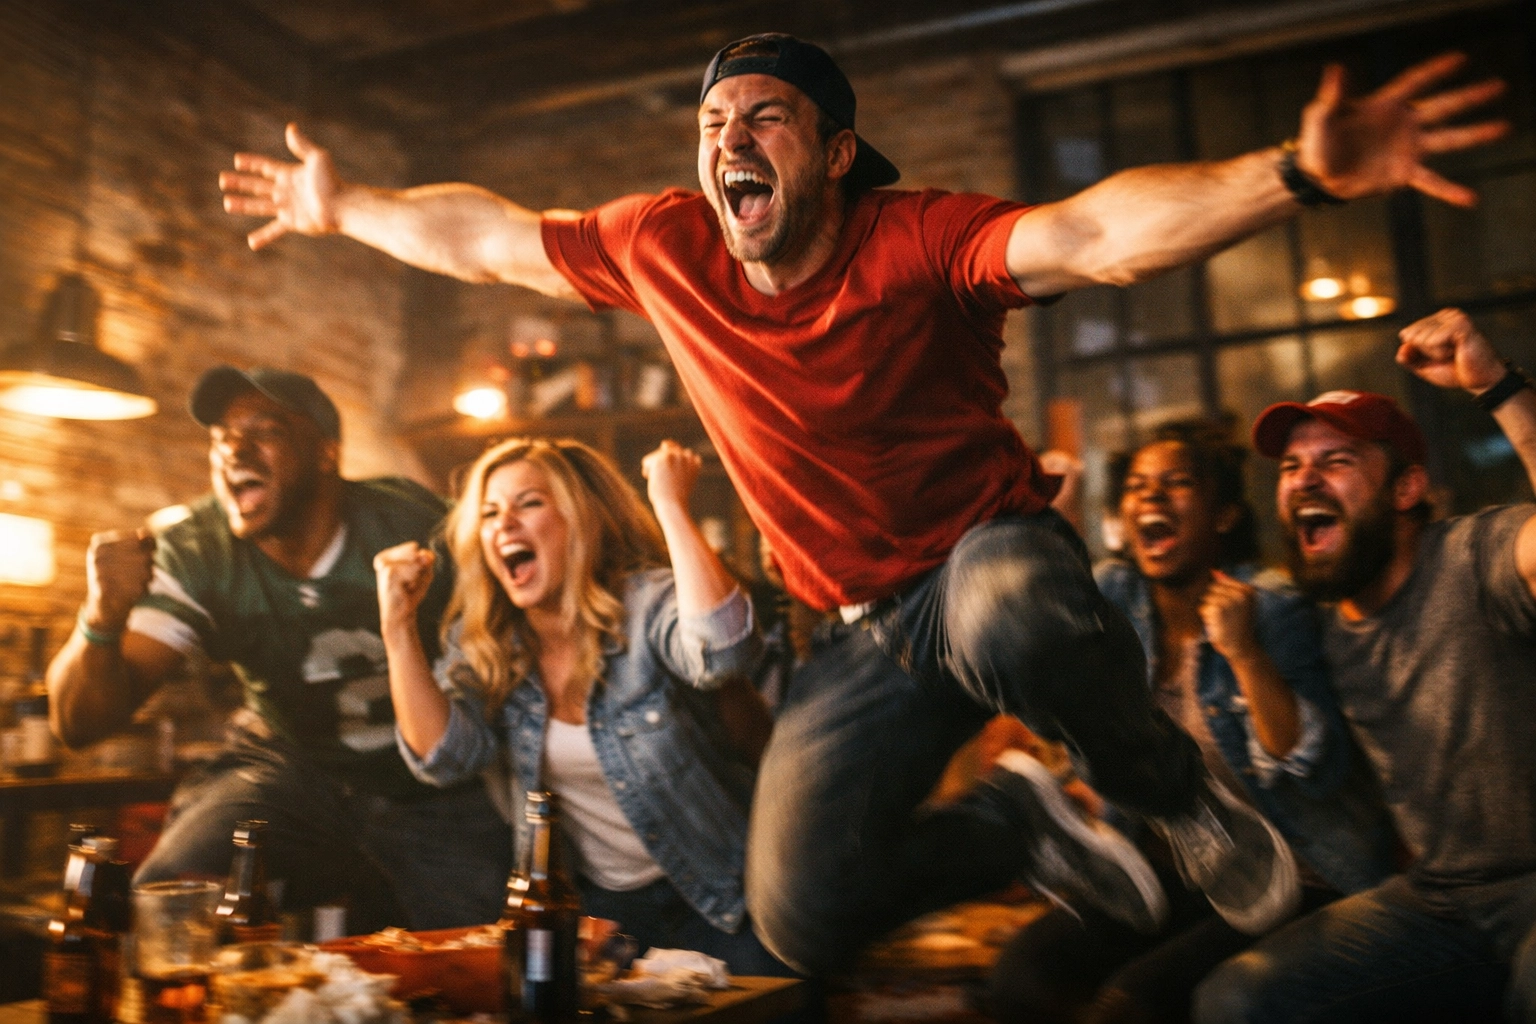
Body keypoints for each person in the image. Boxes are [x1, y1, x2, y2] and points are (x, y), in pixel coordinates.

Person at [217, 34, 1506, 974]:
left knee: (1008, 608)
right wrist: (344, 208)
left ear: (835, 152)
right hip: (853, 631)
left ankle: (1163, 789)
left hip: (984, 566)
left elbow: (1094, 235)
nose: (730, 141)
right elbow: (490, 237)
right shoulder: (669, 245)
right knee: (801, 912)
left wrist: (1297, 175)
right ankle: (1018, 822)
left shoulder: (916, 236)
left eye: (765, 118)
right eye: (715, 123)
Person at [46, 366, 512, 933]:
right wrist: (100, 618)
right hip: (290, 768)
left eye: (264, 431)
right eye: (220, 438)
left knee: (489, 948)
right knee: (163, 912)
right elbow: (77, 725)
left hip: (425, 785)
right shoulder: (198, 547)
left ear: (326, 454)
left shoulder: (416, 523)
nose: (234, 451)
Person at [1194, 307, 1536, 1023]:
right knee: (1237, 1000)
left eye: (1337, 461)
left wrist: (1498, 387)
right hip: (1441, 899)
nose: (1304, 479)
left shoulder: (1477, 556)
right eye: (1291, 466)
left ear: (1406, 489)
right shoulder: (1307, 620)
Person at [990, 429, 1395, 1024]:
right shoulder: (1117, 598)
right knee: (1021, 981)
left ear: (1224, 515)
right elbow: (1032, 611)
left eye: (1177, 483)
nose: (1152, 496)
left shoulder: (1273, 608)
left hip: (1296, 877)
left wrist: (1247, 654)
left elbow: (1320, 772)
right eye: (1136, 487)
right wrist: (1055, 514)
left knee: (1132, 1003)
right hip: (1177, 872)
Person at [373, 437, 794, 978]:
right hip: (605, 920)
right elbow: (443, 757)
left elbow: (725, 652)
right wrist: (398, 627)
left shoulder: (646, 605)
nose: (505, 524)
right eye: (490, 513)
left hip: (725, 898)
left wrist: (670, 504)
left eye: (529, 503)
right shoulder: (489, 643)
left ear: (580, 520)